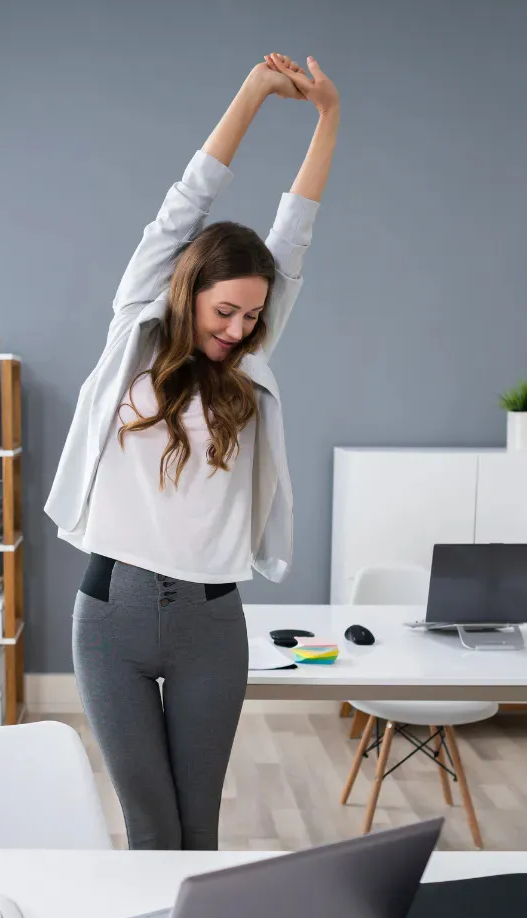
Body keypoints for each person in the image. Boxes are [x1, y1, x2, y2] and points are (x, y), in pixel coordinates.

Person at [46, 53, 340, 850]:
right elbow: (186, 201)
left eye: (254, 314)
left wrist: (327, 119)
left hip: (212, 616)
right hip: (112, 613)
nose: (241, 327)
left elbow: (296, 234)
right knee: (149, 825)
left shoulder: (248, 360)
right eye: (227, 309)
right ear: (189, 287)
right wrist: (252, 93)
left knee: (199, 826)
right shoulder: (135, 328)